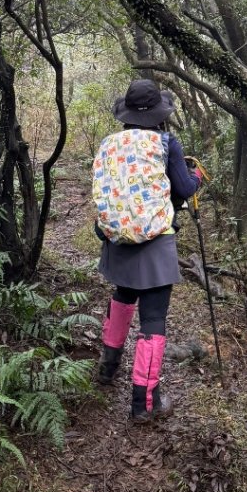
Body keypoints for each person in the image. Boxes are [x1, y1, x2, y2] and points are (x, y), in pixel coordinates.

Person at [94, 78, 202, 423]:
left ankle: (107, 368)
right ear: (159, 114)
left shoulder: (109, 144)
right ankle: (144, 403)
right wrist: (195, 174)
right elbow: (183, 188)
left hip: (116, 238)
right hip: (155, 241)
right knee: (153, 319)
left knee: (123, 298)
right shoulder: (166, 142)